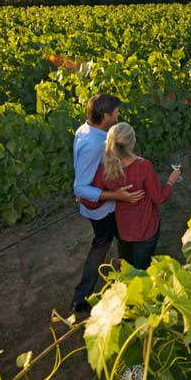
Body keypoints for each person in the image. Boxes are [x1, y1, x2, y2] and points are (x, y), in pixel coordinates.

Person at [71, 94, 144, 314]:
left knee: (111, 241)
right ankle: (125, 289)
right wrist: (117, 196)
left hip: (96, 206)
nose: (118, 115)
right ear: (105, 116)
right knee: (118, 241)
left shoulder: (84, 130)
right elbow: (80, 187)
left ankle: (84, 296)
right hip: (102, 208)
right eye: (116, 113)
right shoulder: (95, 143)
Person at [81, 122, 181, 270]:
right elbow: (159, 198)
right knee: (140, 271)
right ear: (132, 143)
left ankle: (124, 287)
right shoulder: (144, 166)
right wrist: (171, 180)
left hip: (124, 228)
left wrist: (115, 195)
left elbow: (89, 200)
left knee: (126, 267)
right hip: (146, 228)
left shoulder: (105, 169)